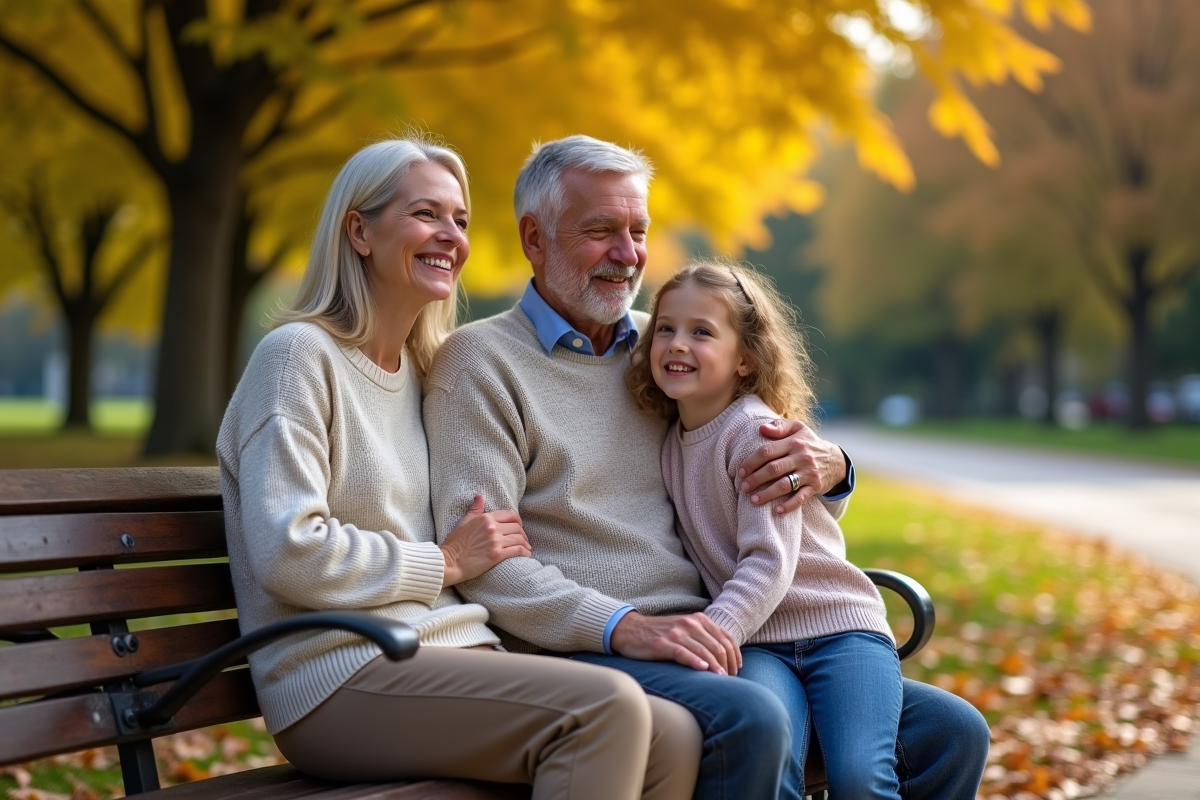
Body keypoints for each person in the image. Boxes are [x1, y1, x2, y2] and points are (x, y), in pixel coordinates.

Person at [424, 134, 990, 800]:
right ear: (534, 238)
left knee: (952, 731)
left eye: (638, 231)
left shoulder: (666, 349)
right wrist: (622, 626)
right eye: (601, 230)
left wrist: (833, 470)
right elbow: (492, 564)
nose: (628, 254)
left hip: (730, 631)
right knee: (754, 717)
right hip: (590, 651)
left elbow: (751, 476)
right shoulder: (481, 364)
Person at [216, 136, 701, 800]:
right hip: (339, 677)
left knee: (672, 733)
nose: (450, 235)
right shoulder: (299, 357)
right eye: (426, 214)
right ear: (359, 230)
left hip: (447, 655)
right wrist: (441, 564)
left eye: (460, 220)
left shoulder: (427, 368)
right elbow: (287, 548)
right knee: (607, 709)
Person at [627, 259, 920, 799]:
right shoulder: (672, 443)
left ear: (745, 360)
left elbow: (770, 562)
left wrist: (710, 635)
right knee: (768, 764)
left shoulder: (758, 435)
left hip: (840, 631)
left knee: (860, 776)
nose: (676, 344)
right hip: (761, 645)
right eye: (664, 327)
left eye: (702, 332)